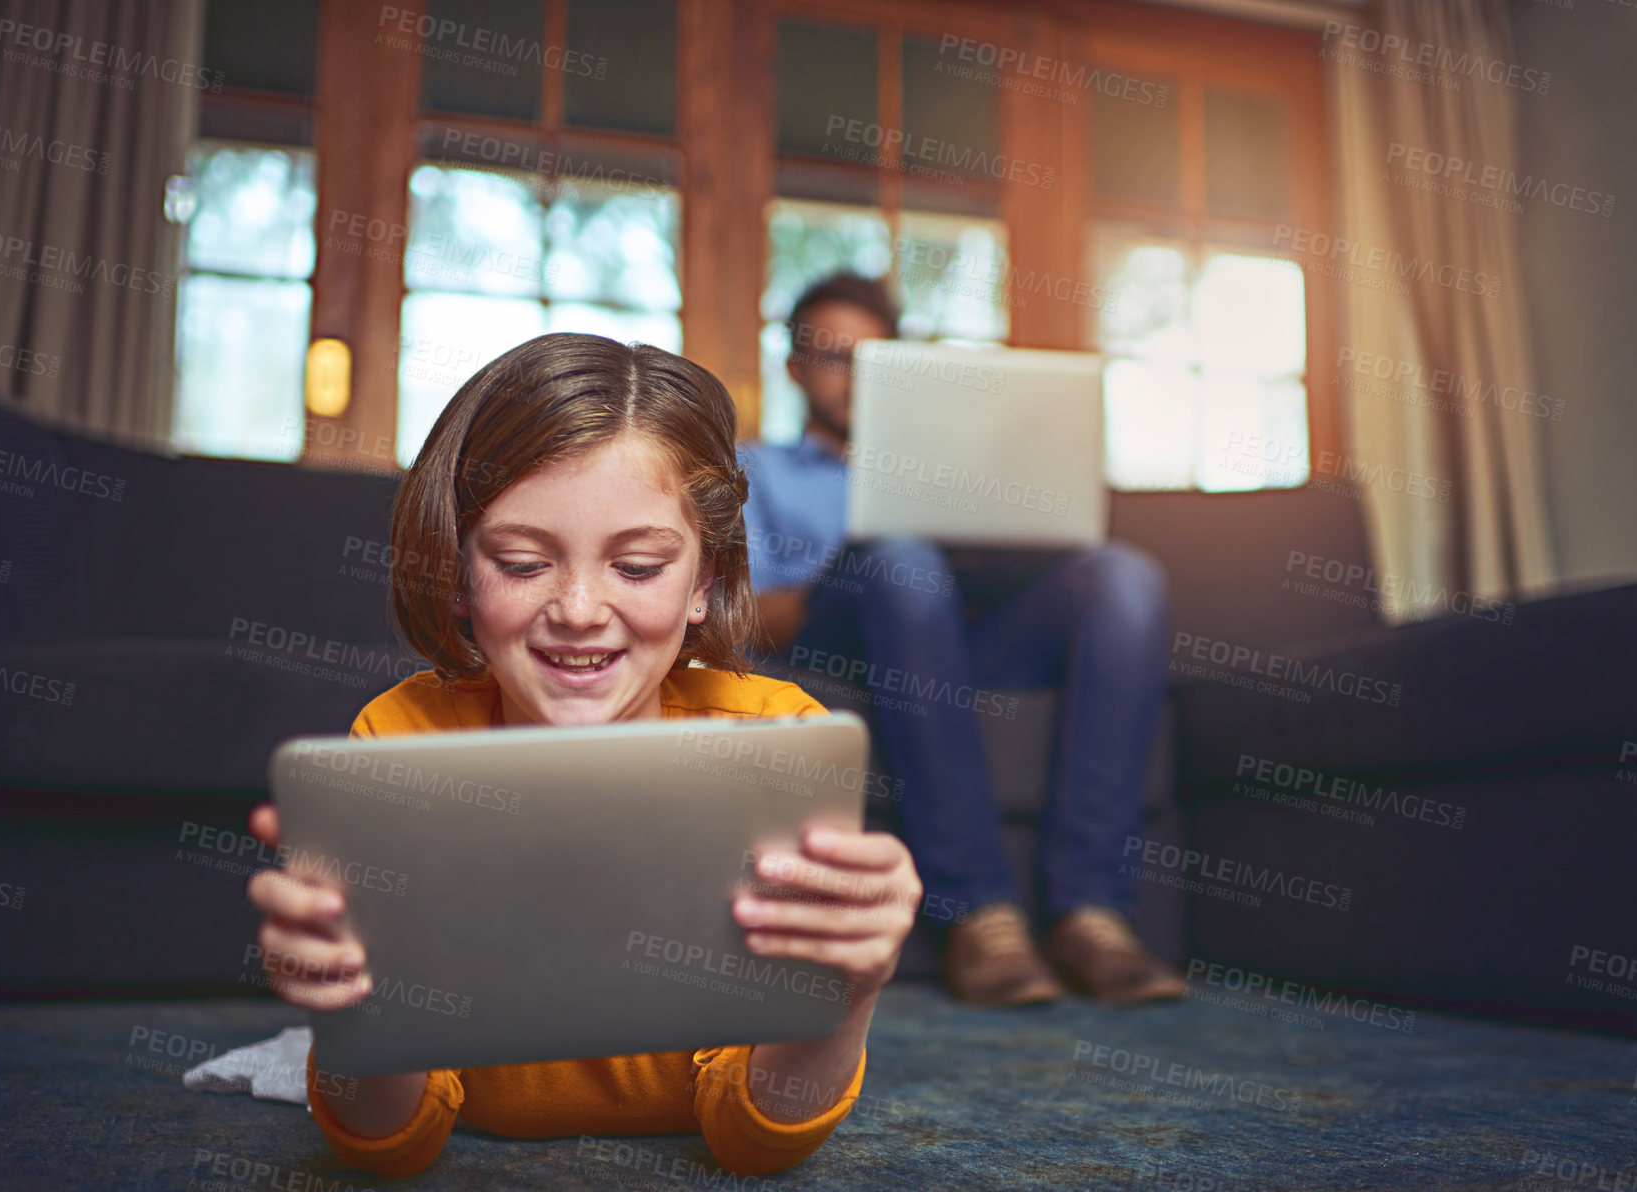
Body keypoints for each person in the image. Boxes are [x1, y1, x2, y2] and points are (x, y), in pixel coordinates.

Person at [244, 332, 922, 1178]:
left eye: (637, 566)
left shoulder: (775, 741)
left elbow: (755, 1141)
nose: (577, 608)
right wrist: (347, 1011)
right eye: (524, 563)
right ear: (457, 574)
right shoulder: (400, 743)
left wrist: (849, 993)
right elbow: (390, 1141)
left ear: (704, 581)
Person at [742, 272, 1184, 1009]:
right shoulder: (762, 468)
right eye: (831, 356)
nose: (850, 376)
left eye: (871, 359)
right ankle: (980, 915)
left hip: (958, 648)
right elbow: (743, 613)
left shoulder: (951, 463)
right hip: (844, 639)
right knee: (901, 561)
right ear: (794, 367)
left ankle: (1091, 915)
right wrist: (866, 559)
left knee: (1123, 575)